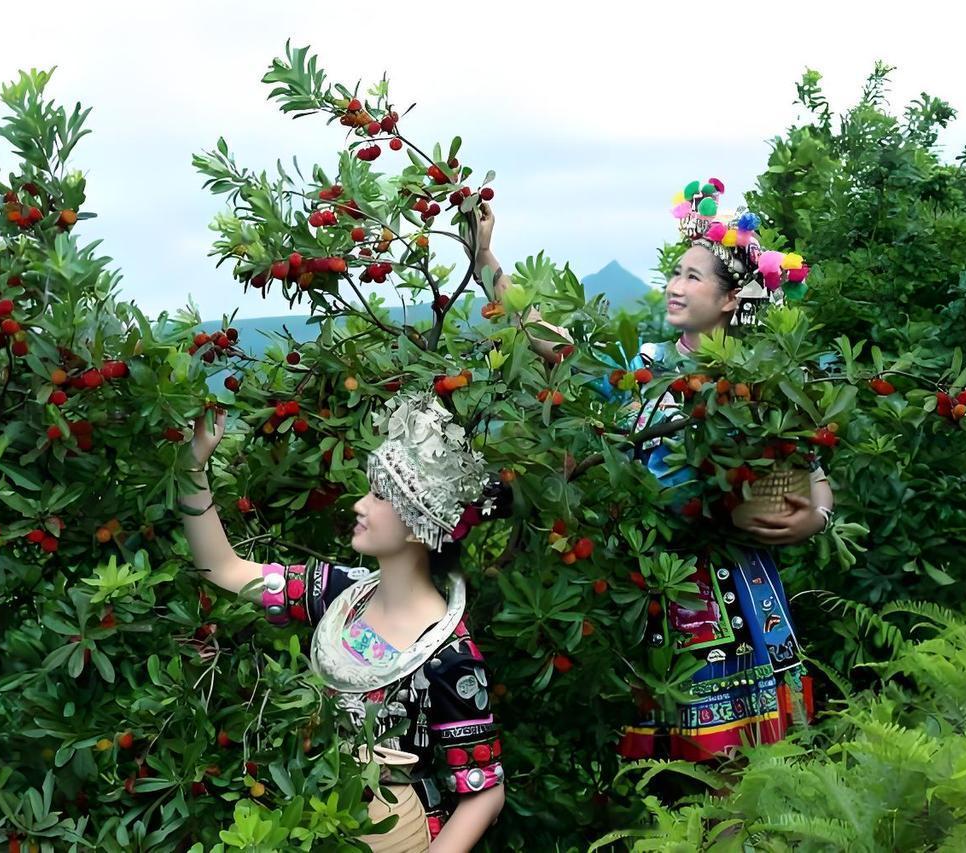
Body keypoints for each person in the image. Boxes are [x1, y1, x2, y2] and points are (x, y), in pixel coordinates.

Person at [473, 178, 833, 761]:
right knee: (675, 783)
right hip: (659, 586)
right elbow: (543, 336)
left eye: (692, 277)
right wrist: (484, 256)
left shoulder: (766, 382)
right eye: (675, 274)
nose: (674, 286)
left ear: (730, 300)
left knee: (755, 775)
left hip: (747, 594)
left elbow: (814, 471)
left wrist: (816, 518)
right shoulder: (640, 368)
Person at [178, 391, 506, 849]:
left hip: (401, 835)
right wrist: (192, 468)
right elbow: (224, 569)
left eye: (379, 496)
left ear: (418, 525)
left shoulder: (451, 659)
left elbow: (484, 793)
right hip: (318, 820)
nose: (360, 505)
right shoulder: (338, 595)